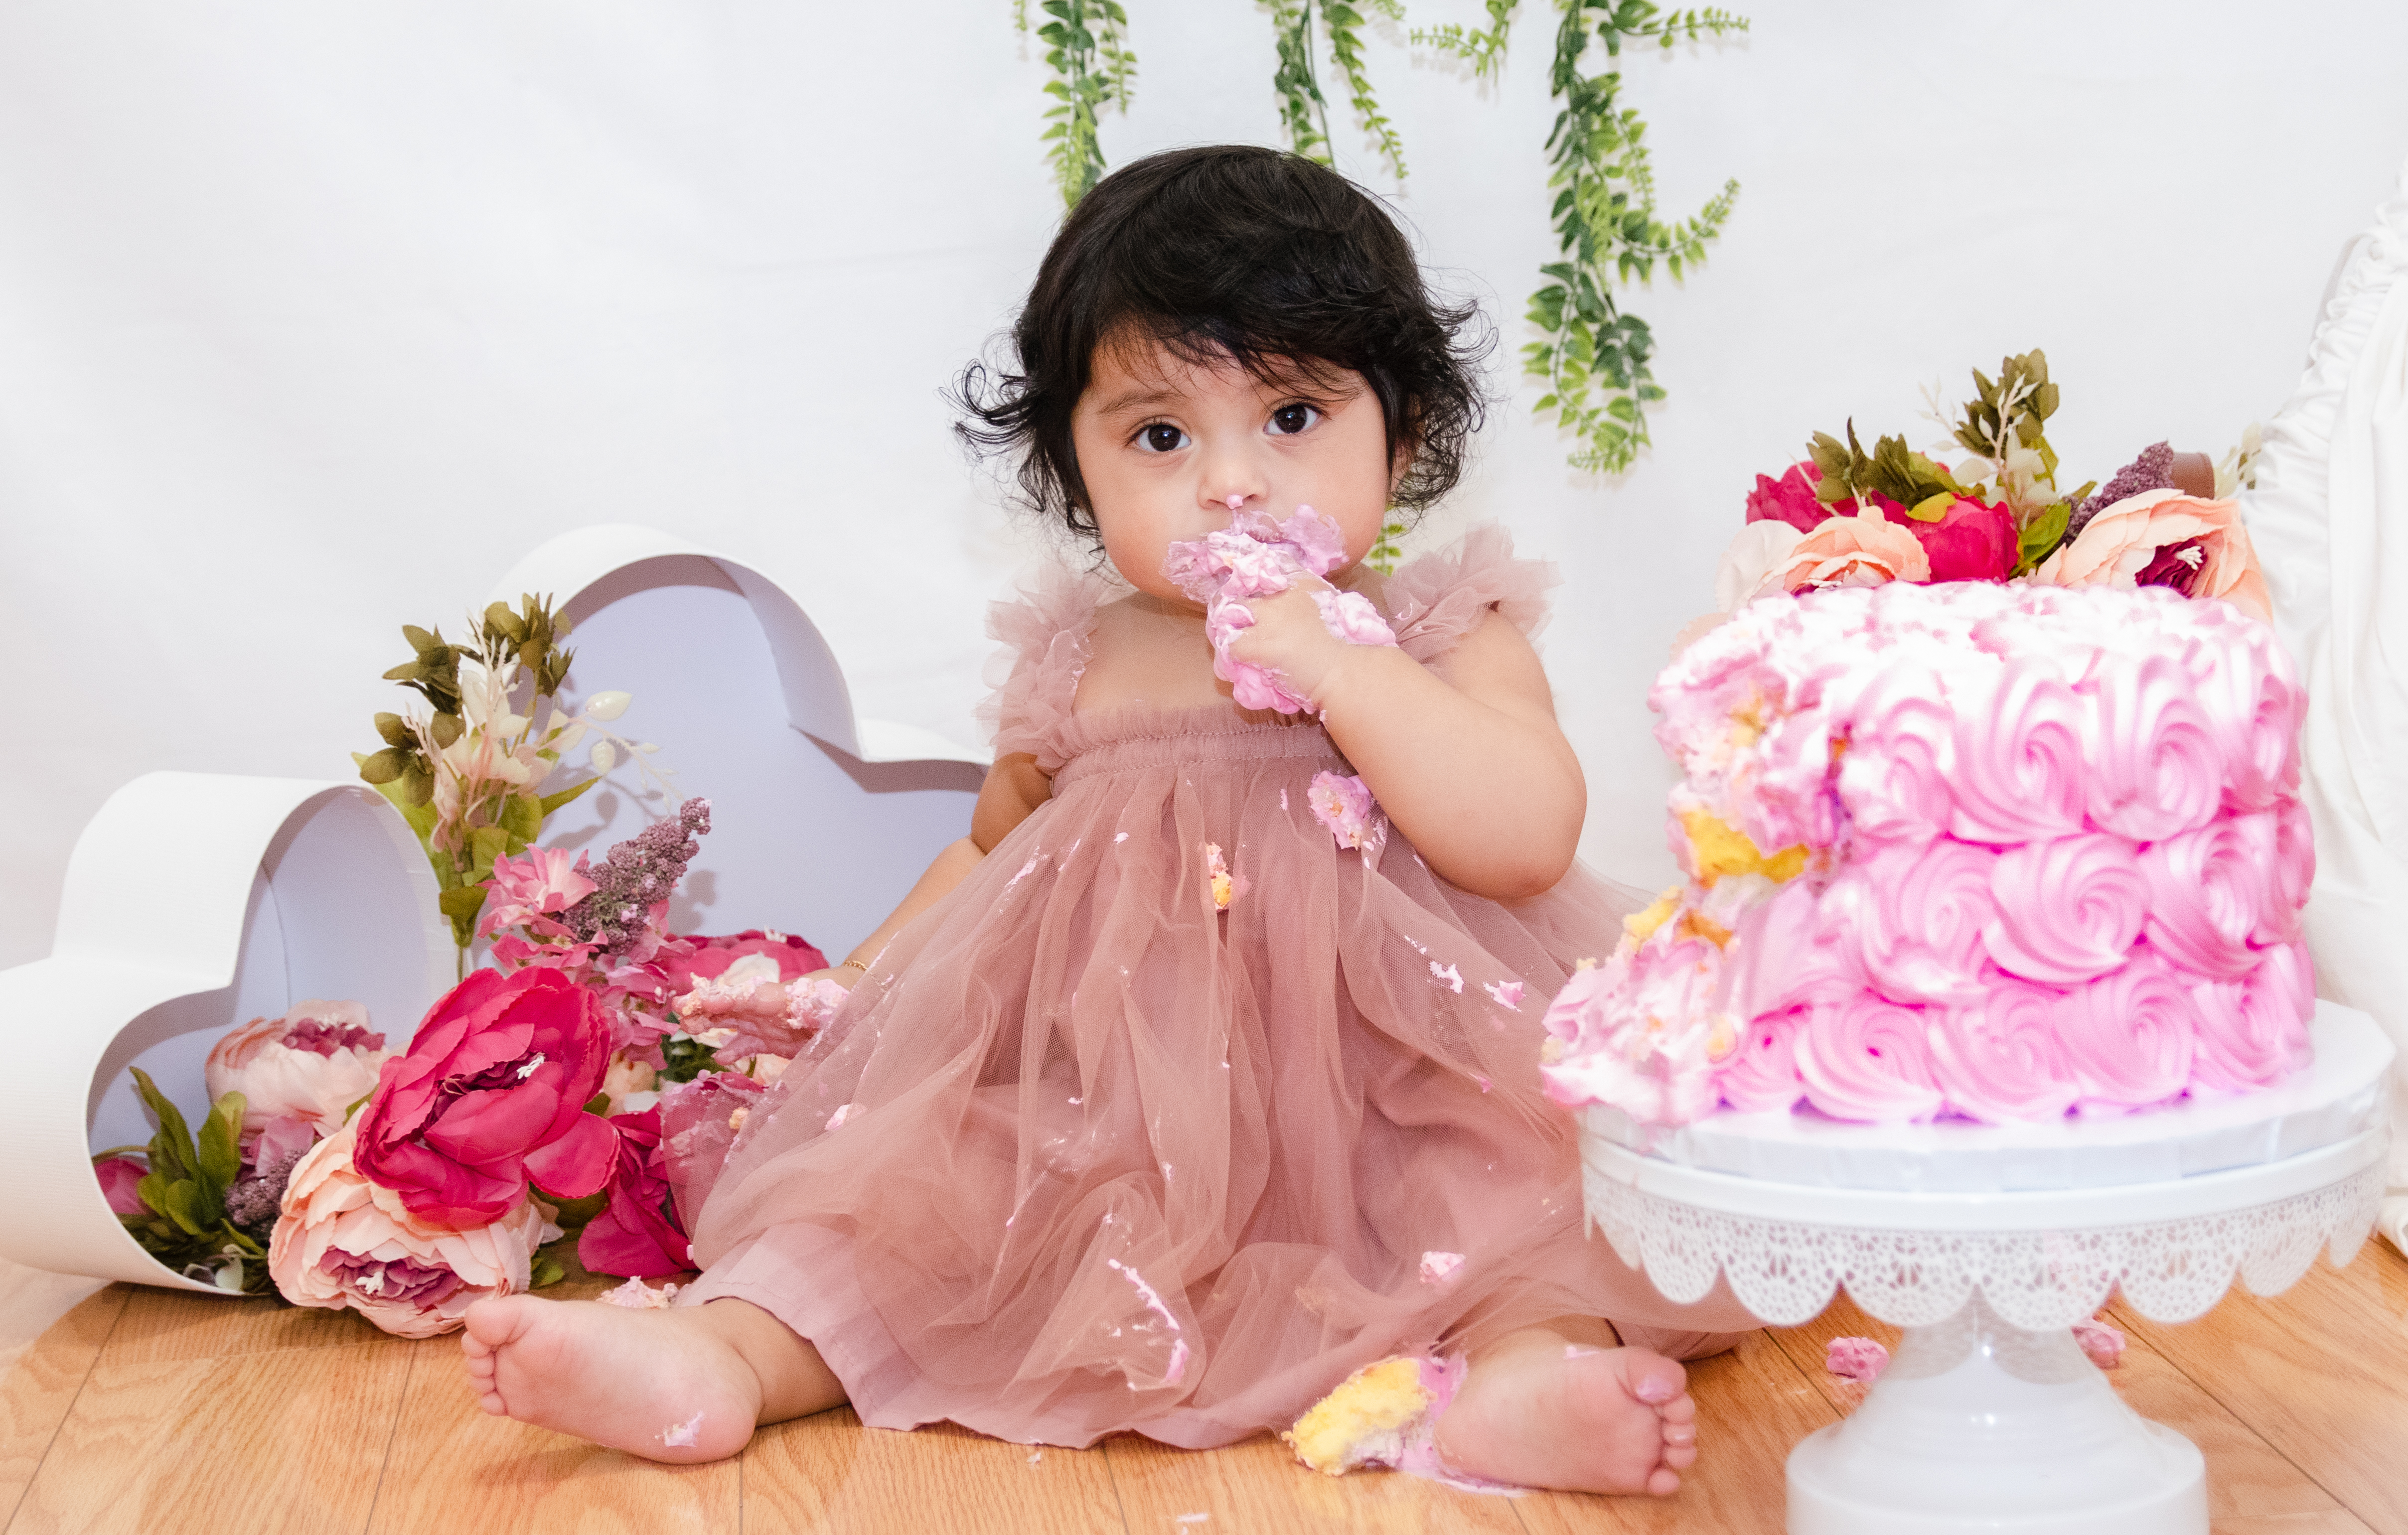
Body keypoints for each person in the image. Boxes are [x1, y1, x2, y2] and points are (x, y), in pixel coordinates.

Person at [460, 144, 1751, 1495]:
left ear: (1406, 432)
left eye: (1294, 417)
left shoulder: (1430, 631)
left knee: (1501, 1201)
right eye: (1161, 436)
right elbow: (986, 857)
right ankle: (725, 1356)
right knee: (924, 1198)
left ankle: (1521, 1380)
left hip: (1401, 1085)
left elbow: (1524, 834)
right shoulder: (1081, 665)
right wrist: (853, 989)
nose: (1233, 482)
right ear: (1079, 481)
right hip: (1112, 1109)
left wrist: (1344, 670)